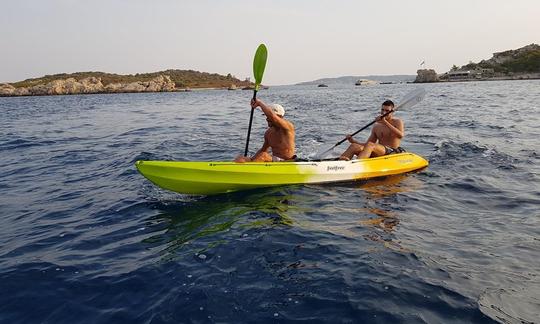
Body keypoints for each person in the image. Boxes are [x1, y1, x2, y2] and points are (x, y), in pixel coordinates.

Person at [339, 100, 405, 160]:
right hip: (379, 151)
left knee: (371, 145)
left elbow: (400, 135)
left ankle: (357, 164)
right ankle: (340, 164)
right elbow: (367, 145)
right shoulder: (376, 126)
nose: (384, 112)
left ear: (392, 112)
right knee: (354, 146)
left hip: (392, 151)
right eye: (382, 110)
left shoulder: (397, 121)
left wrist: (385, 122)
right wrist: (353, 141)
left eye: (387, 111)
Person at [235, 98, 296, 162]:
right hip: (275, 161)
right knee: (241, 158)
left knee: (263, 156)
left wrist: (259, 103)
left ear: (280, 117)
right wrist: (250, 160)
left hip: (288, 162)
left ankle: (250, 169)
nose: (267, 119)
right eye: (266, 117)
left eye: (268, 117)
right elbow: (263, 150)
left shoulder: (288, 127)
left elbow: (273, 117)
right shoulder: (268, 133)